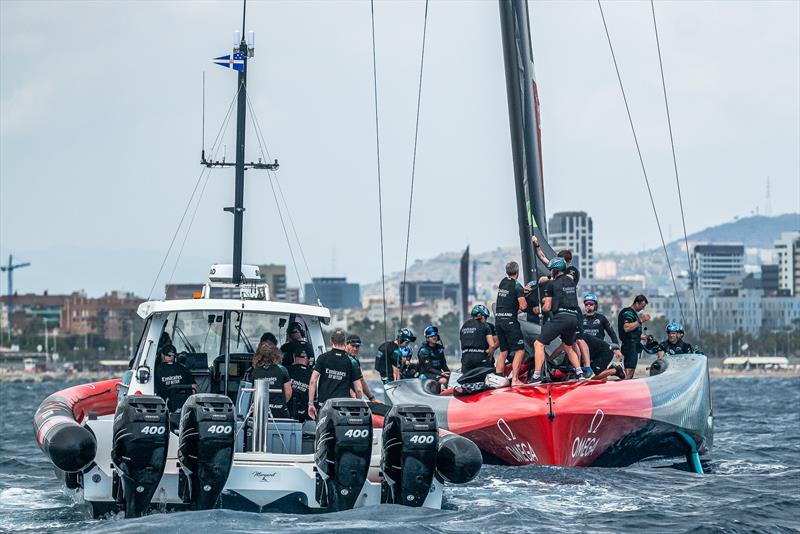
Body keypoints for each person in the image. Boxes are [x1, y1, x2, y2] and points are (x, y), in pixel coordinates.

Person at [530, 258, 583, 384]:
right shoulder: (571, 282)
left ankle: (536, 375)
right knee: (568, 346)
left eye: (551, 270)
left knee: (539, 344)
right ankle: (580, 373)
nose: (550, 272)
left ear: (555, 270)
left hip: (561, 318)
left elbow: (547, 307)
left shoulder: (551, 285)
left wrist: (541, 306)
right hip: (574, 317)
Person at [307, 329, 362, 420]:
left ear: (331, 341)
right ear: (344, 342)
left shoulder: (322, 358)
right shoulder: (352, 361)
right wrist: (359, 407)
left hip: (324, 405)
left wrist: (311, 404)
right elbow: (359, 389)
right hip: (343, 406)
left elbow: (313, 381)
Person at [494, 261, 528, 385]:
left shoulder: (503, 282)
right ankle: (515, 380)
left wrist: (522, 290)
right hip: (510, 322)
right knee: (520, 350)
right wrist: (524, 294)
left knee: (504, 351)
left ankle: (497, 380)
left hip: (499, 321)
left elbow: (510, 292)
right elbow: (523, 306)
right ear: (518, 273)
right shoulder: (517, 286)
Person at [250, 340, 293, 419]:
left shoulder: (255, 371)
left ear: (259, 356)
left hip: (260, 412)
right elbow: (288, 394)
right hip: (280, 411)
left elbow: (251, 394)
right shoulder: (282, 370)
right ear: (276, 354)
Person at [154, 343, 197, 412]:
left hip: (168, 404)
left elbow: (158, 390)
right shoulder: (183, 368)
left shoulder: (157, 370)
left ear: (162, 355)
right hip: (185, 405)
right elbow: (194, 386)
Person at [617, 294, 650, 379]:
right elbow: (627, 328)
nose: (642, 309)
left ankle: (626, 382)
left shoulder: (634, 314)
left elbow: (633, 331)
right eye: (642, 306)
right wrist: (641, 320)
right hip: (629, 345)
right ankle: (619, 374)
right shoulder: (627, 312)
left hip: (634, 345)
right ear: (636, 303)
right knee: (629, 370)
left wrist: (644, 337)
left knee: (632, 370)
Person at [459, 305, 495, 375]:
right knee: (488, 379)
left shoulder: (464, 326)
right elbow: (492, 345)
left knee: (465, 381)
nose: (486, 320)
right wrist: (489, 357)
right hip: (480, 357)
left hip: (465, 358)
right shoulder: (485, 326)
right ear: (480, 315)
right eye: (486, 317)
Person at [345, 334, 378, 402]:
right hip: (347, 398)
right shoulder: (342, 358)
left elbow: (361, 380)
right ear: (346, 344)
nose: (355, 349)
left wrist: (371, 398)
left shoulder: (355, 360)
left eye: (357, 346)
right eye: (352, 346)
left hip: (353, 398)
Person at [287, 347, 313, 421]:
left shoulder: (286, 370)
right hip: (304, 413)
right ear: (307, 359)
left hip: (287, 411)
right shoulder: (312, 374)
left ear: (294, 357)